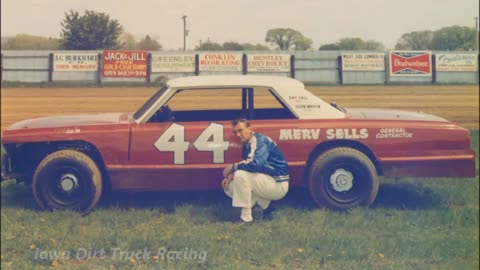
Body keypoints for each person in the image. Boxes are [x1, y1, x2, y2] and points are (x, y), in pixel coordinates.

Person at [222, 118, 289, 224]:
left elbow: (256, 164)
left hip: (278, 183)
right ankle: (266, 205)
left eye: (241, 130)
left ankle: (246, 218)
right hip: (268, 181)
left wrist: (233, 167)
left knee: (240, 176)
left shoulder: (259, 140)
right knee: (230, 186)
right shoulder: (247, 143)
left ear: (249, 128)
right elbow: (249, 166)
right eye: (236, 132)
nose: (238, 135)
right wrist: (232, 175)